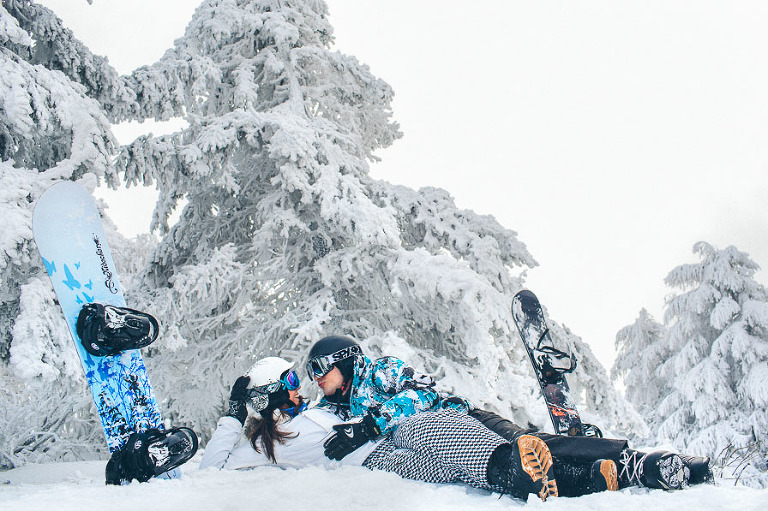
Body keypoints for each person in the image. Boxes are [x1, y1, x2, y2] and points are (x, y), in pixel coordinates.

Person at [305, 335, 713, 496]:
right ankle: (617, 476)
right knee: (532, 463)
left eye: (321, 369)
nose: (317, 379)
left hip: (463, 418)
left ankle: (637, 457)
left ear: (346, 360)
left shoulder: (380, 370)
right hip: (441, 441)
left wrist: (373, 423)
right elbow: (300, 428)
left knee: (528, 443)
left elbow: (423, 391)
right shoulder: (337, 406)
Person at [200, 357, 571, 501]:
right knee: (452, 470)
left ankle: (523, 465)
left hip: (387, 432)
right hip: (377, 461)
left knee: (429, 431)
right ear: (270, 394)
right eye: (290, 379)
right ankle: (532, 478)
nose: (299, 385)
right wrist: (233, 416)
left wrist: (364, 424)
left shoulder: (315, 410)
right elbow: (210, 471)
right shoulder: (269, 444)